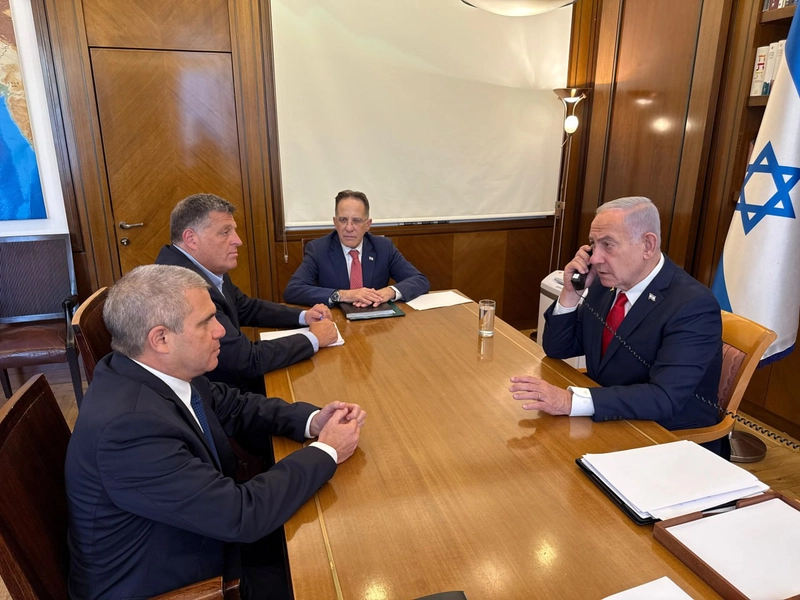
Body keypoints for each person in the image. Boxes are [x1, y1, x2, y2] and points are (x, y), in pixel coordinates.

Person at [65, 265, 366, 600]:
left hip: (197, 531)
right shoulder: (128, 430)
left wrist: (312, 420)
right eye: (206, 321)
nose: (221, 330)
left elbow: (232, 405)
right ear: (161, 339)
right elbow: (241, 515)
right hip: (180, 582)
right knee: (338, 573)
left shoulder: (152, 370)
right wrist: (327, 451)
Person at [509, 197, 724, 452]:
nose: (595, 258)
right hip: (609, 419)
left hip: (667, 439)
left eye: (607, 245)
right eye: (593, 245)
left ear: (647, 245)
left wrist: (570, 401)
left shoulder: (693, 305)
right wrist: (570, 293)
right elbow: (558, 348)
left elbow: (664, 398)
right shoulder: (605, 284)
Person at [156, 193, 337, 394]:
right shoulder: (184, 286)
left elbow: (245, 307)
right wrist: (313, 338)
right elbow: (246, 359)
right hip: (220, 395)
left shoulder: (204, 267)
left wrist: (303, 316)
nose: (238, 241)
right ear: (191, 238)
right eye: (225, 232)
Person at [283, 190, 430, 307]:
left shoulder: (383, 248)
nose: (349, 228)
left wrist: (389, 292)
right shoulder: (318, 249)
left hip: (377, 324)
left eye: (356, 221)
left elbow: (420, 280)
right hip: (336, 322)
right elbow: (293, 290)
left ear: (368, 224)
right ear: (335, 222)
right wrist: (344, 295)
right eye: (343, 220)